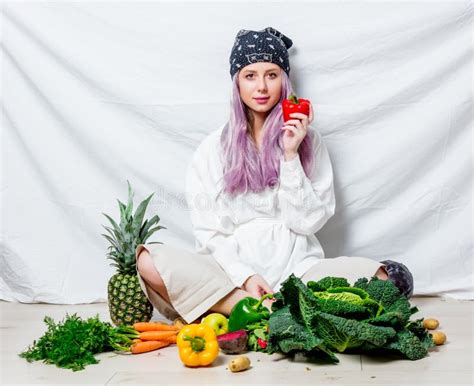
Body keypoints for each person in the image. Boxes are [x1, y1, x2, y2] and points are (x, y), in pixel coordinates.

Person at [135, 27, 413, 324]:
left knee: (385, 279)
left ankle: (262, 309)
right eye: (250, 75)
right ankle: (261, 307)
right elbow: (209, 233)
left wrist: (291, 155)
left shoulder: (309, 141)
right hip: (231, 276)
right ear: (236, 83)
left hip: (302, 272)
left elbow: (307, 222)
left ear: (285, 80)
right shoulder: (212, 148)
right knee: (148, 261)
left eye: (272, 74)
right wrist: (245, 277)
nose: (262, 87)